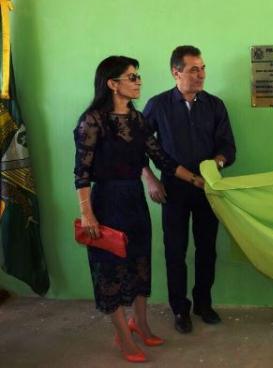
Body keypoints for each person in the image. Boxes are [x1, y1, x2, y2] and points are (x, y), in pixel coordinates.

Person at [74, 56, 204, 362]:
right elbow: (81, 172)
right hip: (105, 202)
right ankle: (123, 336)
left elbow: (163, 160)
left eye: (138, 76)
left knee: (140, 264)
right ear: (112, 84)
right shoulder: (92, 121)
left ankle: (141, 324)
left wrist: (196, 180)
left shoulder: (137, 119)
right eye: (132, 77)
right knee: (111, 271)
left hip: (135, 200)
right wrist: (86, 212)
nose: (138, 81)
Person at [142, 45, 236, 334]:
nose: (201, 74)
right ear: (176, 72)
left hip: (208, 189)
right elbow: (136, 146)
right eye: (194, 69)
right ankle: (179, 309)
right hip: (173, 191)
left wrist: (217, 163)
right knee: (175, 251)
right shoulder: (158, 105)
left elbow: (228, 147)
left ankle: (203, 304)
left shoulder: (215, 105)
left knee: (207, 249)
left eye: (203, 68)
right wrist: (149, 179)